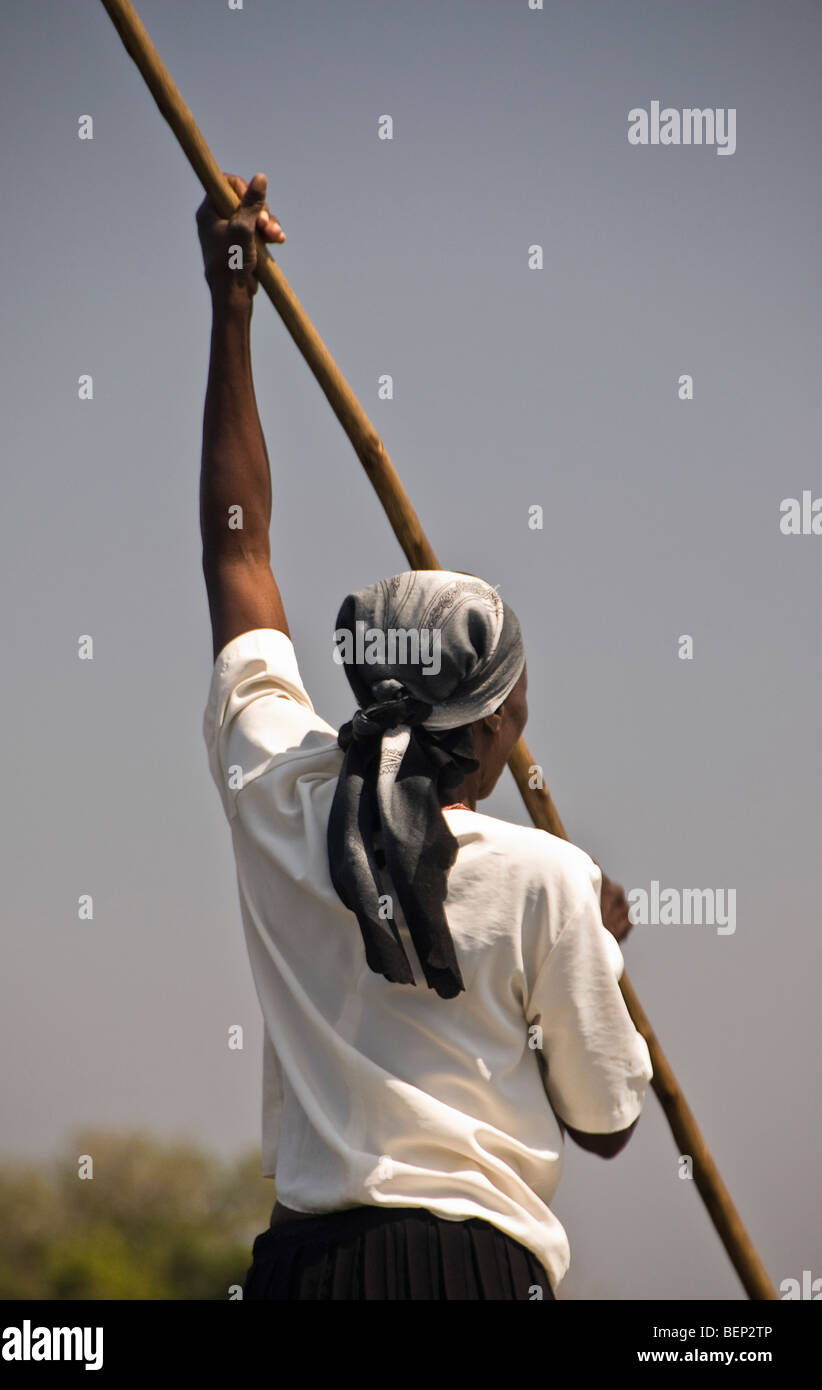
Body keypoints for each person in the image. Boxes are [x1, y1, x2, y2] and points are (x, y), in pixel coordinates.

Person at [196, 172, 654, 1300]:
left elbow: (238, 554)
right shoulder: (549, 879)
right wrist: (600, 948)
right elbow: (606, 1125)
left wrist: (232, 301)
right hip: (476, 1275)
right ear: (500, 721)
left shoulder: (280, 788)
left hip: (306, 1273)